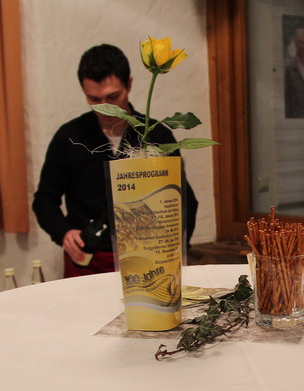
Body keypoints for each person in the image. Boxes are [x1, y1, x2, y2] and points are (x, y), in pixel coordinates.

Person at [33, 44, 199, 278]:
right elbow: (44, 199)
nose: (106, 108)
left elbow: (183, 200)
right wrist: (64, 232)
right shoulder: (69, 136)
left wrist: (176, 252)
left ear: (129, 85)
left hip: (149, 259)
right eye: (95, 99)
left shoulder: (156, 135)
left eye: (113, 97)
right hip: (89, 259)